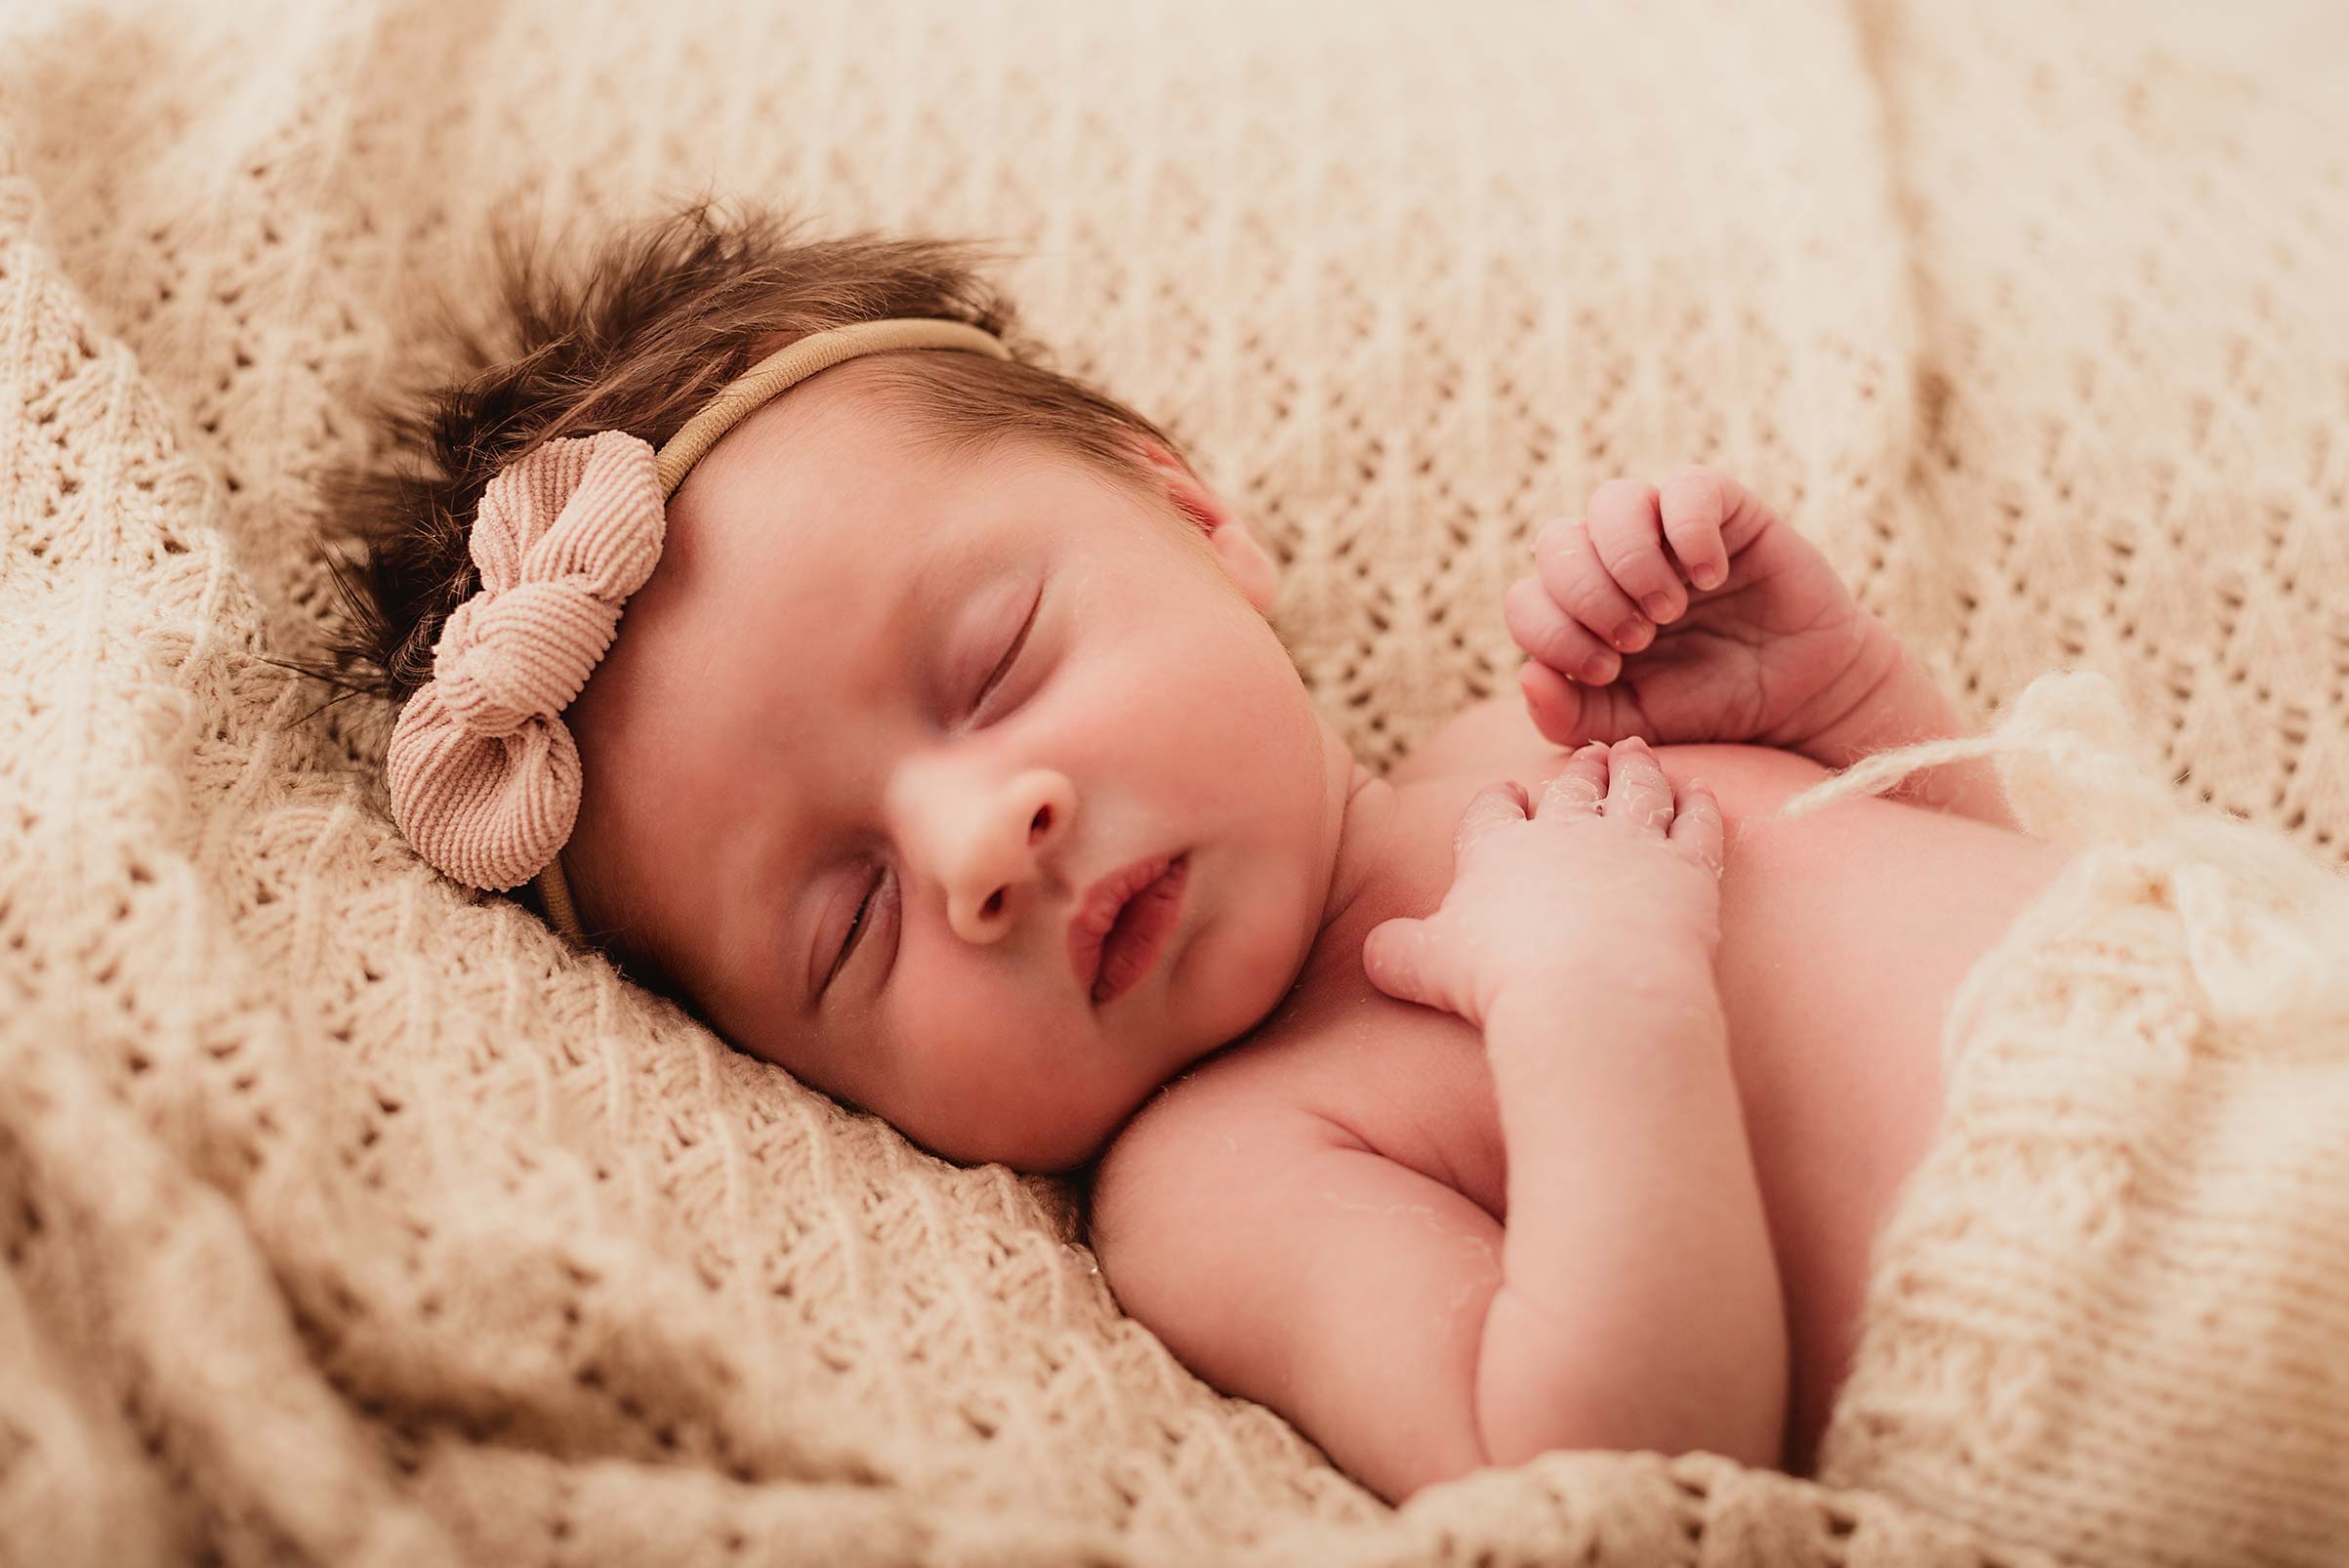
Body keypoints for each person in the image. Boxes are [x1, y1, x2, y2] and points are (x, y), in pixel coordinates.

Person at [317, 196, 2083, 1506]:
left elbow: (2017, 915)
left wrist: (1839, 707)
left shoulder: (1531, 736)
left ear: (1194, 519)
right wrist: (1603, 1007)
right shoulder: (1225, 1174)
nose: (979, 844)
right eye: (851, 922)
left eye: (993, 667)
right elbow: (1623, 1477)